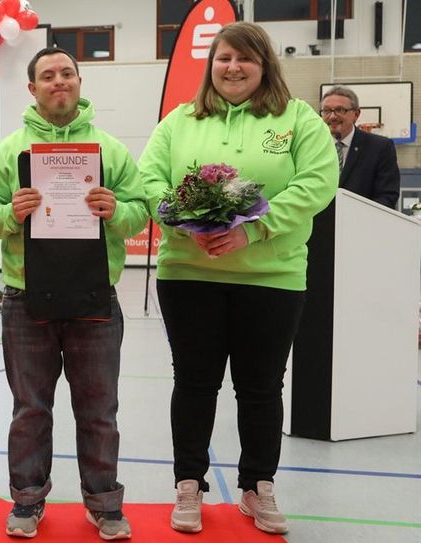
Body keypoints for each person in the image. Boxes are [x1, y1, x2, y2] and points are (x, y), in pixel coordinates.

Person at [136, 22, 338, 535]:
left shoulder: (298, 120)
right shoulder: (180, 121)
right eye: (224, 57)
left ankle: (257, 487)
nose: (233, 67)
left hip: (272, 277)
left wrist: (254, 232)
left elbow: (317, 183)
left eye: (245, 59)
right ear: (212, 64)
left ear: (265, 65)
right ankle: (188, 484)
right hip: (188, 274)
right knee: (195, 383)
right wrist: (182, 219)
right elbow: (150, 180)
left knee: (262, 387)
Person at [0, 47, 149, 540]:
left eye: (66, 73)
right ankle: (27, 502)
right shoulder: (10, 151)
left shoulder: (109, 149)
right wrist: (11, 213)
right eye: (47, 76)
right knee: (30, 409)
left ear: (79, 82)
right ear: (32, 89)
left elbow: (141, 211)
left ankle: (105, 503)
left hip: (95, 297)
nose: (58, 81)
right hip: (27, 300)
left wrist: (117, 210)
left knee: (99, 409)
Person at [321, 85, 400, 208]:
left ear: (356, 114)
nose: (332, 116)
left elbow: (387, 196)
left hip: (362, 224)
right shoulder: (311, 146)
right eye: (326, 110)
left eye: (340, 110)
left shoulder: (380, 147)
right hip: (317, 226)